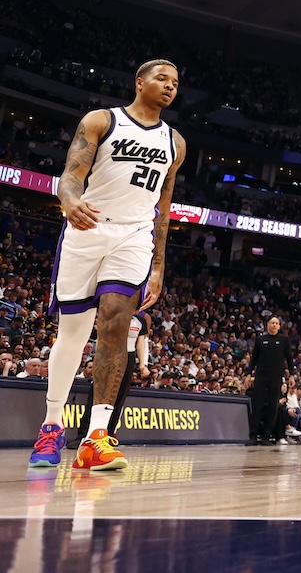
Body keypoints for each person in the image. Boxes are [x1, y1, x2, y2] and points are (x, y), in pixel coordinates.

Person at [29, 60, 185, 471]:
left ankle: (96, 437)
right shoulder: (102, 120)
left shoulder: (176, 142)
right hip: (88, 227)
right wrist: (68, 201)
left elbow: (164, 207)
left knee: (116, 325)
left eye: (175, 83)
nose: (169, 87)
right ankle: (50, 426)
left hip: (135, 237)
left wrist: (159, 265)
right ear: (139, 82)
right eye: (161, 79)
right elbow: (69, 175)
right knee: (73, 336)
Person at [245, 317, 293, 445]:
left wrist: (292, 375)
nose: (274, 325)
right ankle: (253, 436)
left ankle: (266, 436)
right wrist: (249, 374)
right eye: (272, 323)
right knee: (257, 405)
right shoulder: (261, 339)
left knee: (273, 406)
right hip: (261, 376)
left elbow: (289, 359)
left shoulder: (284, 340)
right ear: (268, 325)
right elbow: (254, 358)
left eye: (276, 323)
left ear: (279, 326)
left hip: (276, 377)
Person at [105, 311, 152, 440]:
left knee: (120, 396)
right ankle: (85, 432)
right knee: (102, 392)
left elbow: (140, 343)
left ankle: (110, 433)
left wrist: (143, 364)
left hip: (129, 357)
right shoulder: (115, 315)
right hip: (111, 354)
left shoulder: (140, 321)